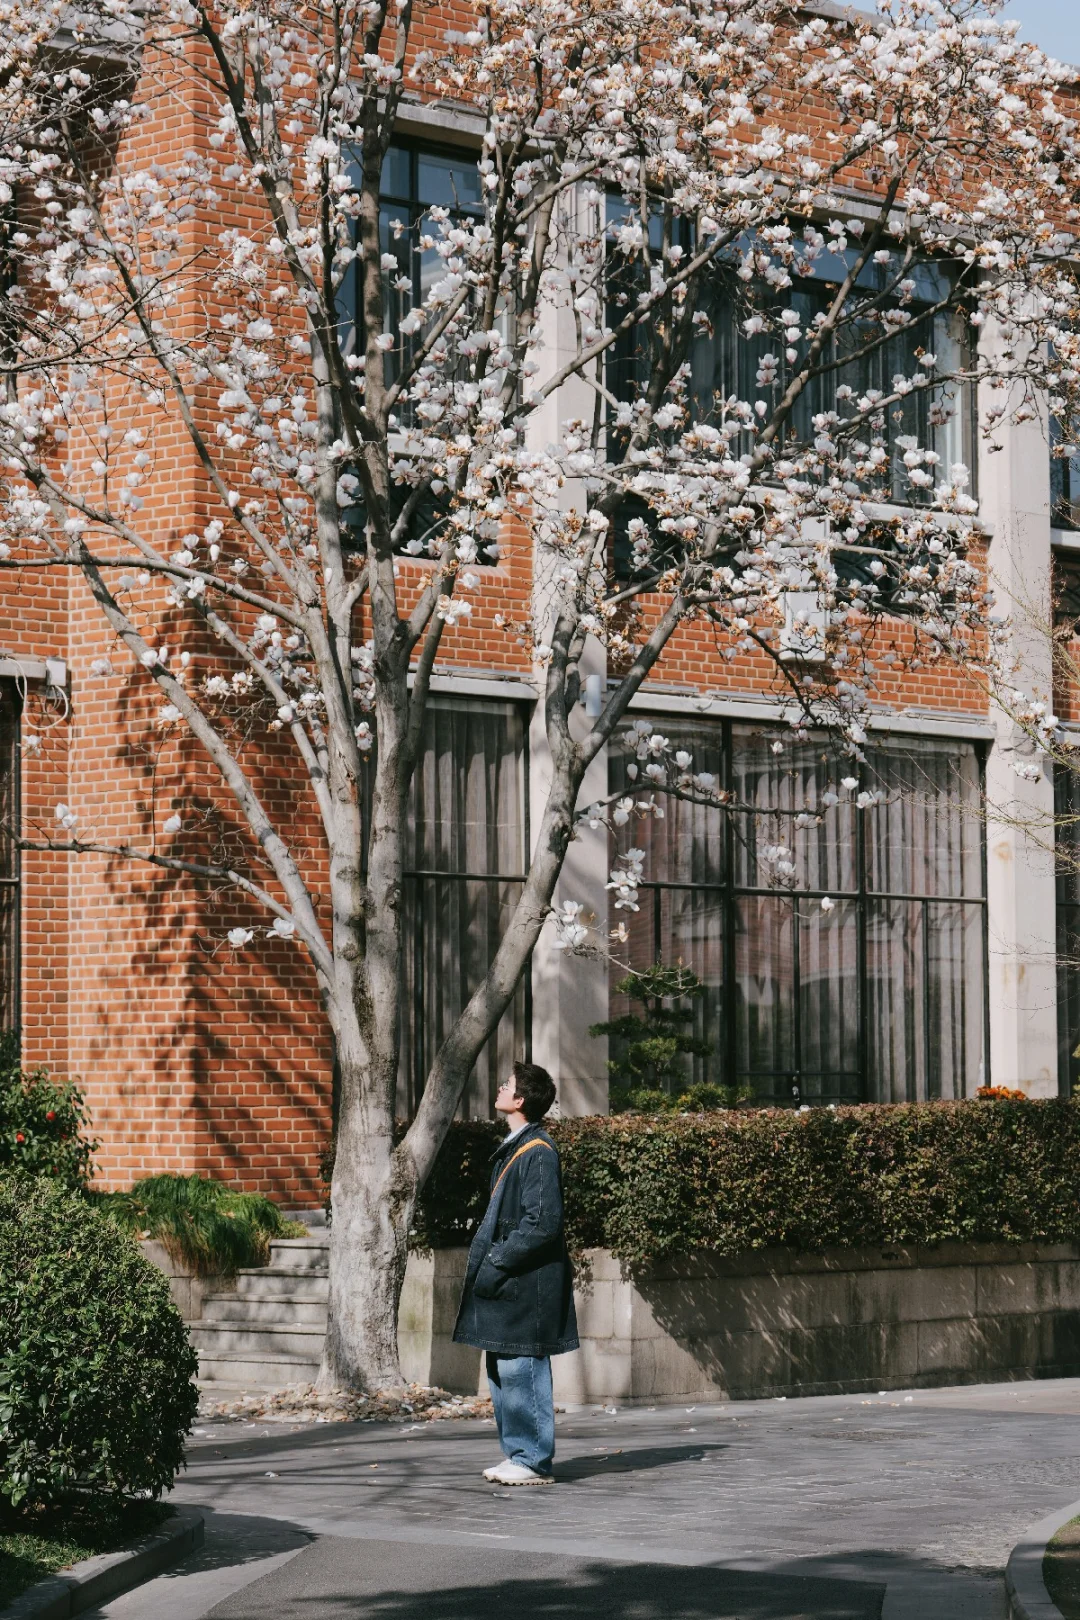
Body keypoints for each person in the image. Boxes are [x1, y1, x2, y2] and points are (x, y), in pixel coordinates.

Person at [452, 1059, 578, 1485]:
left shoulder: (537, 1152)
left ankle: (531, 1459)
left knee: (520, 1367)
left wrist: (497, 1261)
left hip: (526, 1287)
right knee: (504, 1367)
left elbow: (542, 1224)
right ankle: (519, 1456)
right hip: (513, 1285)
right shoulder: (519, 1147)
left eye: (507, 1085)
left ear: (520, 1099)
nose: (500, 1088)